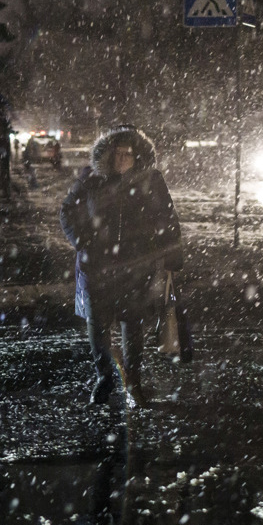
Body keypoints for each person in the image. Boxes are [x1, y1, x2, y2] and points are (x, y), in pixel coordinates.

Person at [60, 125, 183, 405]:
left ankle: (133, 381)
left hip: (135, 266)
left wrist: (172, 257)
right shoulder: (91, 178)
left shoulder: (150, 180)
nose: (123, 159)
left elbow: (167, 217)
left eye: (129, 153)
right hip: (96, 266)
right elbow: (67, 210)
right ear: (108, 154)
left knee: (132, 323)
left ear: (137, 155)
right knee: (98, 324)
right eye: (118, 153)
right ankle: (104, 378)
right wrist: (82, 240)